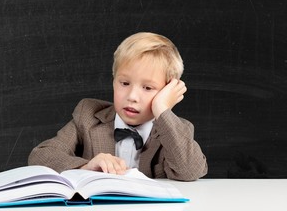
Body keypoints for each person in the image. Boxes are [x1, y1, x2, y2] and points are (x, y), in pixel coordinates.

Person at [28, 32, 207, 181]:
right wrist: (85, 166)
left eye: (147, 88)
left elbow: (190, 171)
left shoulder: (175, 131)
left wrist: (161, 109)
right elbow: (40, 156)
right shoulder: (88, 115)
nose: (132, 97)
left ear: (167, 90)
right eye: (124, 83)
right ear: (113, 81)